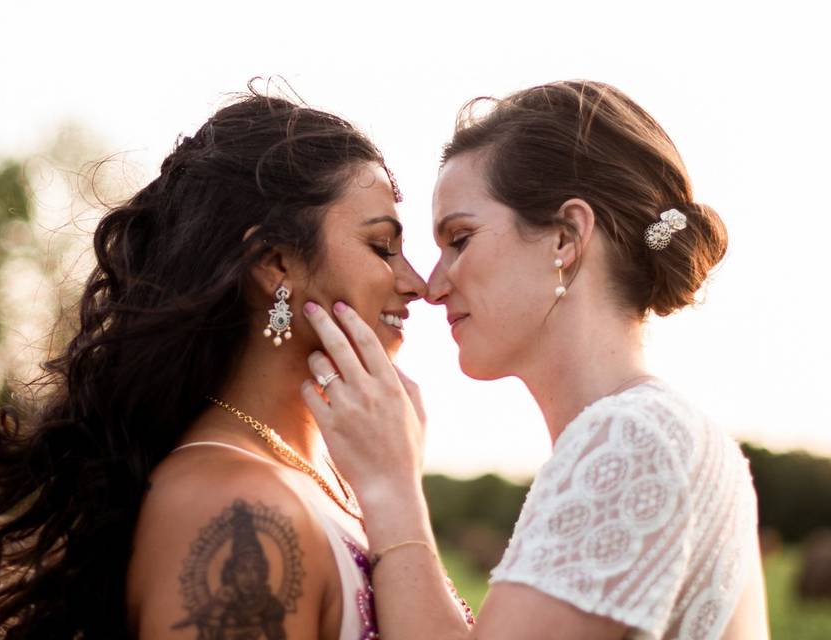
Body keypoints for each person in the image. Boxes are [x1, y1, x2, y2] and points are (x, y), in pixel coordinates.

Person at [0, 84, 428, 639]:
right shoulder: (231, 506)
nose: (418, 284)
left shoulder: (336, 481)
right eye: (383, 247)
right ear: (276, 263)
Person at [299, 80, 770, 639]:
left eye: (460, 238)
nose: (433, 284)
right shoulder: (650, 431)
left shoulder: (635, 439)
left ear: (566, 239)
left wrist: (391, 487)